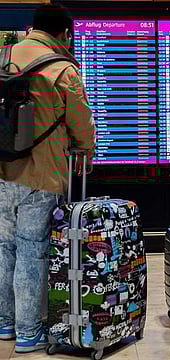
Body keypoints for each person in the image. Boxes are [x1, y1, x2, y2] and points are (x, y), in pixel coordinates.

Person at [0, 4, 95, 353]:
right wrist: (86, 150)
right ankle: (28, 331)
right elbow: (81, 122)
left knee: (4, 247)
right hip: (41, 173)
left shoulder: (4, 56)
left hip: (2, 171)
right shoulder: (62, 68)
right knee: (32, 250)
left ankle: (5, 323)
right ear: (64, 33)